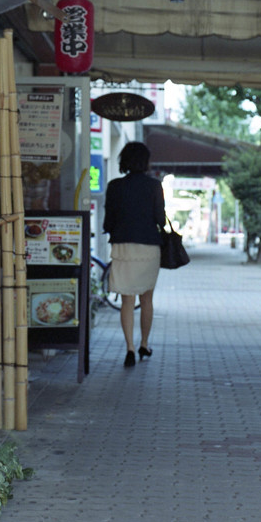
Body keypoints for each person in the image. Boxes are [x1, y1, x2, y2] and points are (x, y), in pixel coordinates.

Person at [103, 141, 166, 367]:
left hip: (123, 246)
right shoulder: (154, 186)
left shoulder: (114, 186)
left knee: (127, 300)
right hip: (149, 246)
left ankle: (129, 348)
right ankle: (144, 344)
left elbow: (108, 221)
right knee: (146, 299)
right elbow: (160, 218)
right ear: (145, 161)